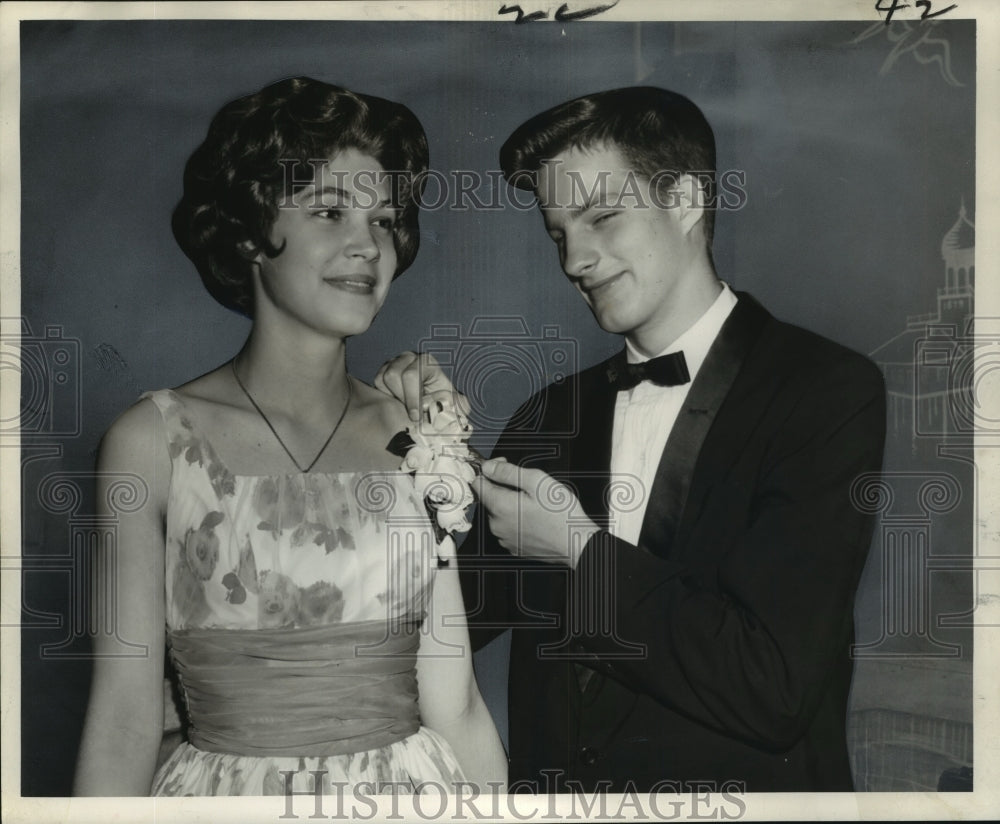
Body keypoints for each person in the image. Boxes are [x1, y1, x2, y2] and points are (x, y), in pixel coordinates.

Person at [377, 86, 886, 792]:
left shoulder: (825, 390)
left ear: (684, 201)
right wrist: (413, 445)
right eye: (559, 234)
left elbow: (772, 690)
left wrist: (578, 551)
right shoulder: (550, 413)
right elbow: (431, 630)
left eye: (603, 219)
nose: (574, 261)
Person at [74, 77, 506, 797]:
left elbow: (455, 703)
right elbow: (123, 720)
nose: (366, 245)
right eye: (330, 211)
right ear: (247, 233)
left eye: (384, 220)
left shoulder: (418, 437)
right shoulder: (152, 441)